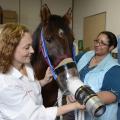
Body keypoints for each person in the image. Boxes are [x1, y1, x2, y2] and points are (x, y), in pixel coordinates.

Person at [0, 23, 85, 120]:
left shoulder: (27, 65)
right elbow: (35, 115)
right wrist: (74, 106)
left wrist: (43, 81)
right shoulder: (5, 83)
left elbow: (29, 87)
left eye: (31, 46)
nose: (32, 50)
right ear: (10, 50)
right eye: (27, 47)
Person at [73, 31, 120, 120]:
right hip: (80, 113)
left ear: (111, 47)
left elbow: (111, 96)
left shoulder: (114, 68)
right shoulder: (85, 55)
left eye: (102, 43)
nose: (97, 45)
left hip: (100, 116)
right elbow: (71, 64)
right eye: (97, 41)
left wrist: (80, 97)